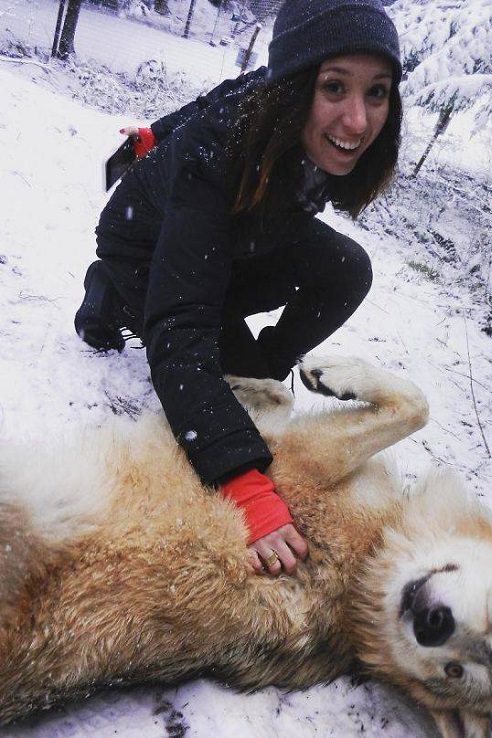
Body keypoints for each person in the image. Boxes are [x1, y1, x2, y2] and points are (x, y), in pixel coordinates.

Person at [74, 0, 402, 578]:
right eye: (335, 88)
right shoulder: (213, 155)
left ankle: (256, 370)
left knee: (347, 267)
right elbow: (180, 326)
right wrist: (243, 482)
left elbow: (219, 93)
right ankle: (110, 292)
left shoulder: (275, 97)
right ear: (296, 88)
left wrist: (153, 133)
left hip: (244, 233)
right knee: (193, 340)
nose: (357, 121)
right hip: (145, 248)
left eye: (376, 92)